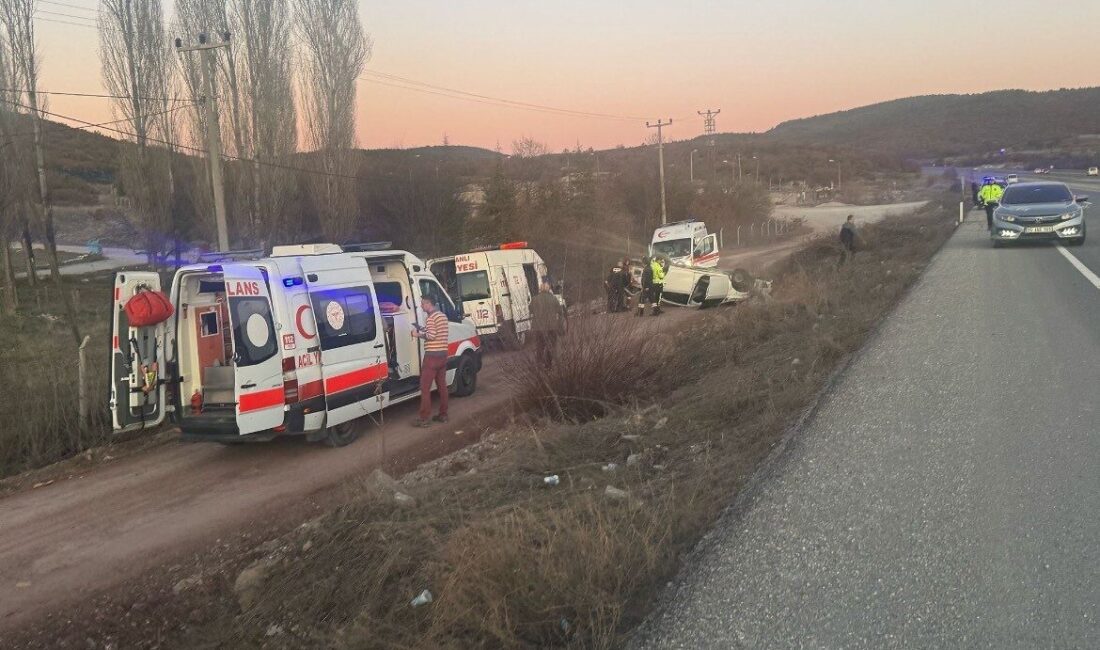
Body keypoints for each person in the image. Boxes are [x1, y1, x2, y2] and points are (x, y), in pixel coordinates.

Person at [411, 295, 450, 427]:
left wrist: (417, 335)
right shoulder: (442, 316)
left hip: (432, 357)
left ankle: (424, 419)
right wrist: (422, 328)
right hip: (443, 355)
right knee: (442, 386)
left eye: (422, 304)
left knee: (425, 388)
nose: (421, 306)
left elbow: (431, 336)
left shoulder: (431, 318)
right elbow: (436, 332)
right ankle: (443, 414)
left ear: (428, 303)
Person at [529, 281, 564, 368]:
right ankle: (548, 365)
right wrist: (559, 324)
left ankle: (539, 363)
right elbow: (560, 312)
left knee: (540, 346)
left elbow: (530, 310)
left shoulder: (534, 299)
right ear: (549, 289)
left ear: (540, 289)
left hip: (538, 328)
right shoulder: (553, 299)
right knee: (551, 346)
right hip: (551, 327)